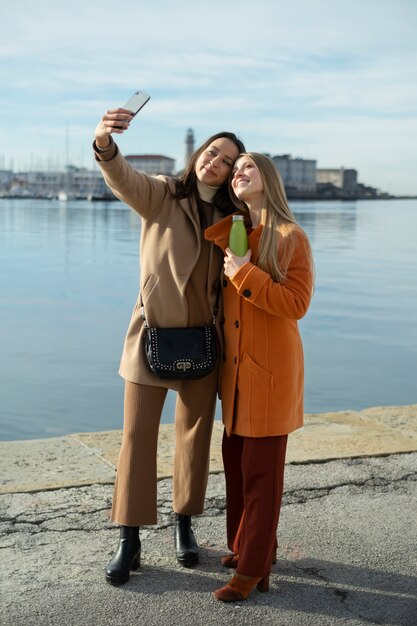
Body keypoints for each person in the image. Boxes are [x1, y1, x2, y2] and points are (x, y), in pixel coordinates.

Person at [93, 104, 245, 585]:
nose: (214, 162)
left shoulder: (232, 215)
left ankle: (184, 525)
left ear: (229, 174)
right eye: (212, 152)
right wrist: (104, 142)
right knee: (136, 439)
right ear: (199, 153)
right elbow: (122, 177)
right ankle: (129, 538)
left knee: (194, 438)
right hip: (152, 336)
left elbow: (246, 266)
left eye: (225, 160)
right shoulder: (161, 194)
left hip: (204, 341)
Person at [205, 152, 314, 602]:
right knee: (237, 468)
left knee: (261, 477)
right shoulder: (235, 234)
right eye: (235, 171)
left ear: (268, 178)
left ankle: (251, 571)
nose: (237, 174)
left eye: (247, 167)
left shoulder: (291, 237)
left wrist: (245, 271)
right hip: (236, 377)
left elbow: (297, 305)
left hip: (270, 375)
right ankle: (248, 549)